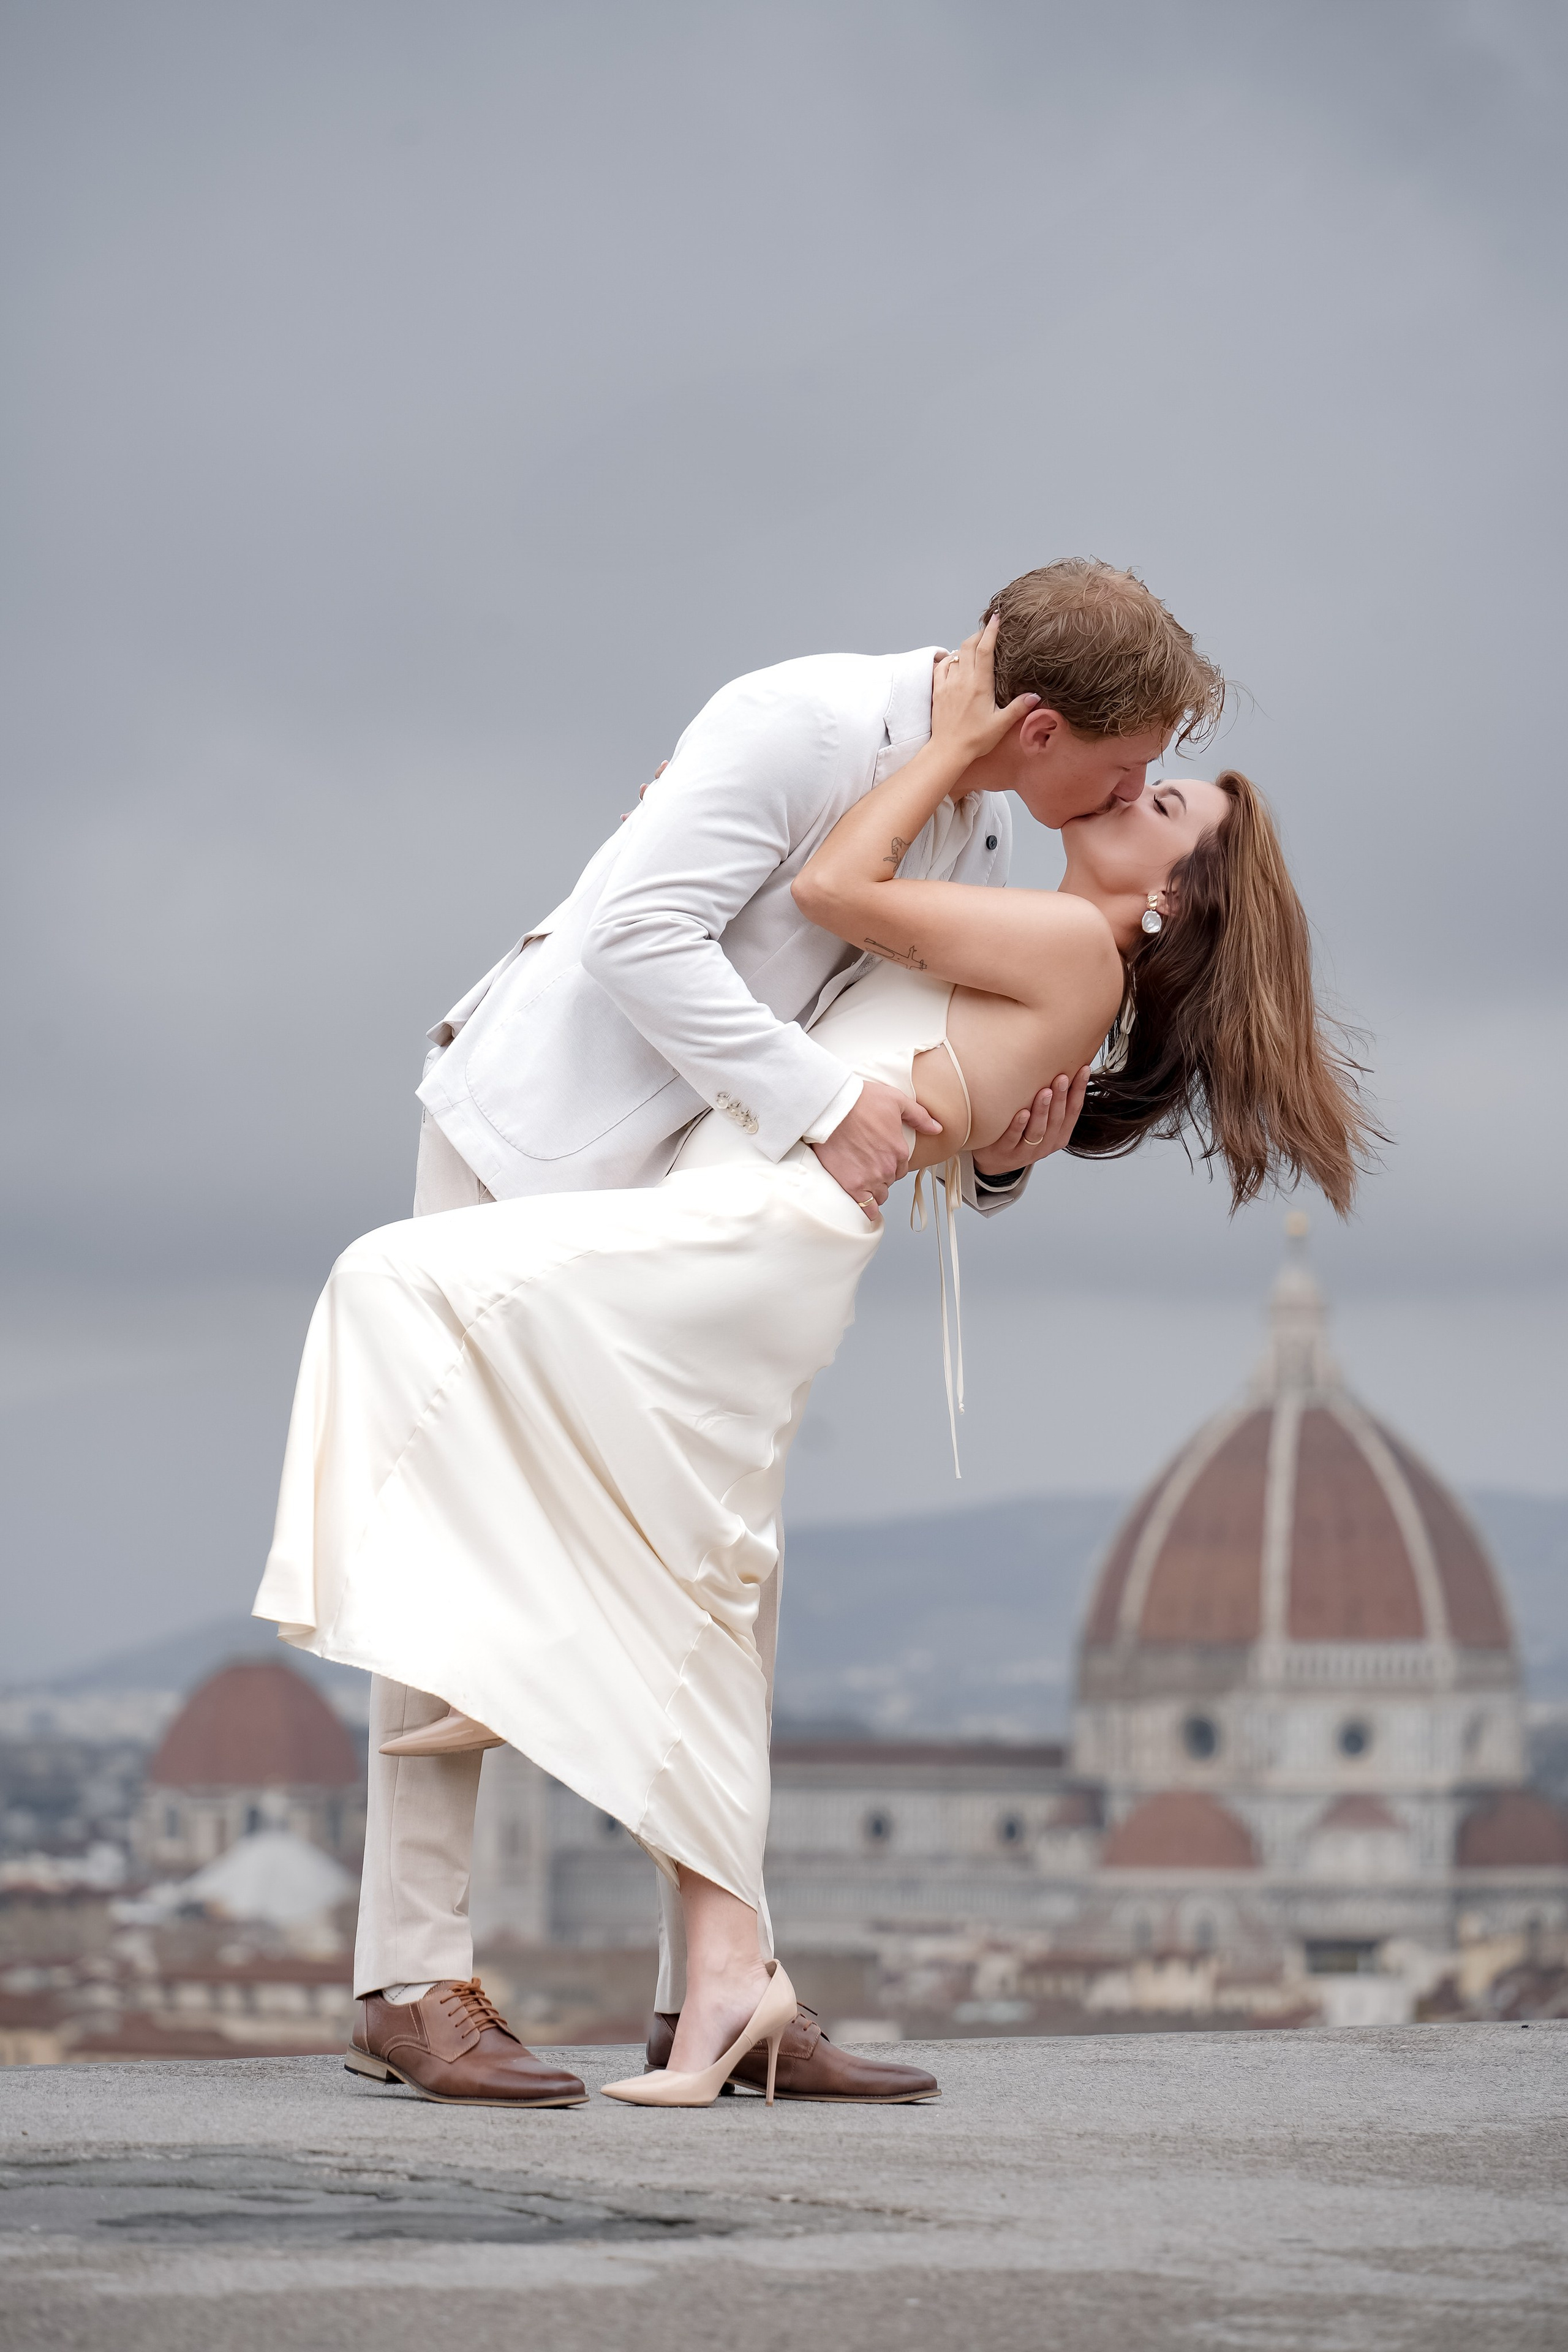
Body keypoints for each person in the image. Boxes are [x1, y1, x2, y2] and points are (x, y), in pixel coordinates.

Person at [254, 608, 1370, 2109]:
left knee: (726, 1581)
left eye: (1159, 784)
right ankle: (411, 1976)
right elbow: (644, 938)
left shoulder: (988, 828)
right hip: (551, 1135)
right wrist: (834, 1110)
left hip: (724, 1199)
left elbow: (909, 1041)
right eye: (1133, 762)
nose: (1136, 783)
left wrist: (987, 1156)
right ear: (1041, 728)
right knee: (480, 1498)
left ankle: (714, 1992)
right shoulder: (798, 723)